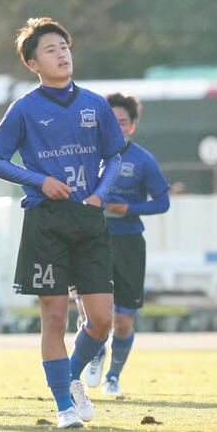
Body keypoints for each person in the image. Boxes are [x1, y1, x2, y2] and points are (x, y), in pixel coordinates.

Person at [0, 18, 126, 429]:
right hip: (46, 221)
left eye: (64, 46)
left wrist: (101, 193)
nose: (62, 53)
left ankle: (72, 376)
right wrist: (39, 181)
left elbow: (114, 155)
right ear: (33, 63)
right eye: (51, 49)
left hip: (89, 218)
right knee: (54, 317)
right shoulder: (25, 108)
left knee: (101, 319)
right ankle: (64, 406)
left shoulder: (95, 104)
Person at [82, 92, 170, 396]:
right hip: (91, 241)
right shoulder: (87, 155)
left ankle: (113, 377)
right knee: (93, 315)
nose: (116, 127)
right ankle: (94, 352)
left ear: (131, 126)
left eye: (123, 122)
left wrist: (129, 209)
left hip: (129, 243)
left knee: (122, 321)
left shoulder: (143, 160)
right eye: (112, 121)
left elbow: (163, 202)